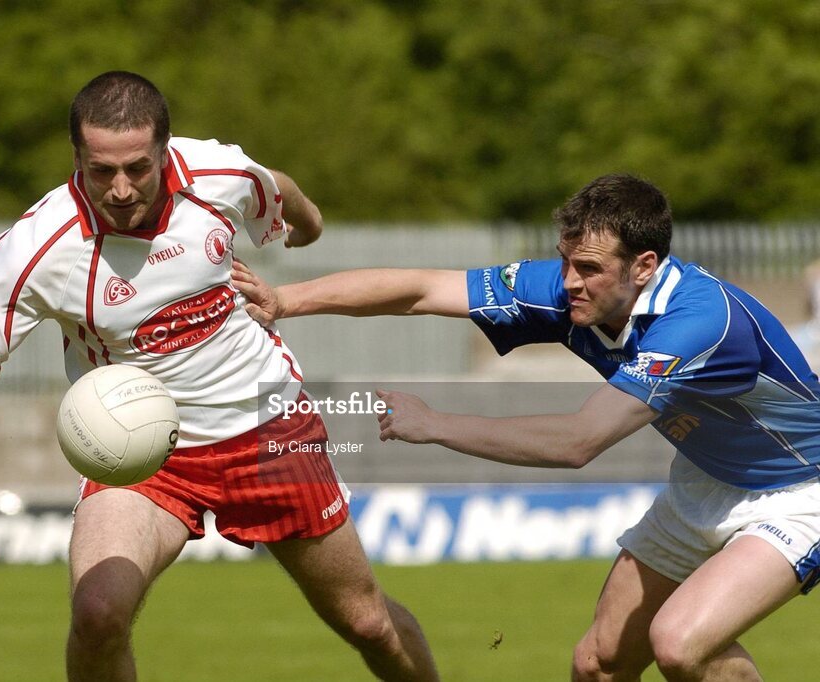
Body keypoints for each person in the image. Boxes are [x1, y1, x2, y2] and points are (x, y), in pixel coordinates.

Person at [0, 71, 438, 682]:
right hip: (141, 454)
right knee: (97, 614)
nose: (120, 188)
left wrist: (308, 224)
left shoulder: (219, 174)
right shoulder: (34, 249)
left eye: (137, 168)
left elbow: (275, 186)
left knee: (367, 623)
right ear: (77, 158)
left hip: (267, 425)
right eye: (101, 171)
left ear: (165, 151)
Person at [232, 173, 820, 682]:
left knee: (680, 644)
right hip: (705, 480)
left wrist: (436, 424)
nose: (569, 281)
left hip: (800, 491)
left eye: (589, 269)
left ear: (644, 266)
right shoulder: (574, 289)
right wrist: (284, 299)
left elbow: (579, 442)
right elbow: (424, 289)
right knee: (598, 664)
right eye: (566, 260)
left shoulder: (700, 322)